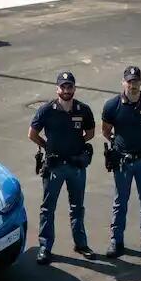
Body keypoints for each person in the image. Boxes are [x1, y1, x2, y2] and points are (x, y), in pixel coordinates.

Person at [28, 71, 96, 264]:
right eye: (63, 87)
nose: (66, 90)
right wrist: (47, 146)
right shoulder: (46, 110)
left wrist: (76, 143)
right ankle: (45, 247)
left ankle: (81, 244)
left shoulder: (83, 109)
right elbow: (32, 134)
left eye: (70, 86)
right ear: (57, 89)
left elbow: (90, 132)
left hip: (75, 166)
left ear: (74, 88)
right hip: (55, 166)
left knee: (77, 207)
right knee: (48, 208)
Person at [102, 66, 141, 259]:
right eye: (129, 81)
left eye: (136, 81)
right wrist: (118, 144)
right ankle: (116, 240)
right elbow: (105, 131)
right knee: (120, 202)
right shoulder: (112, 105)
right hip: (123, 162)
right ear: (123, 83)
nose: (133, 85)